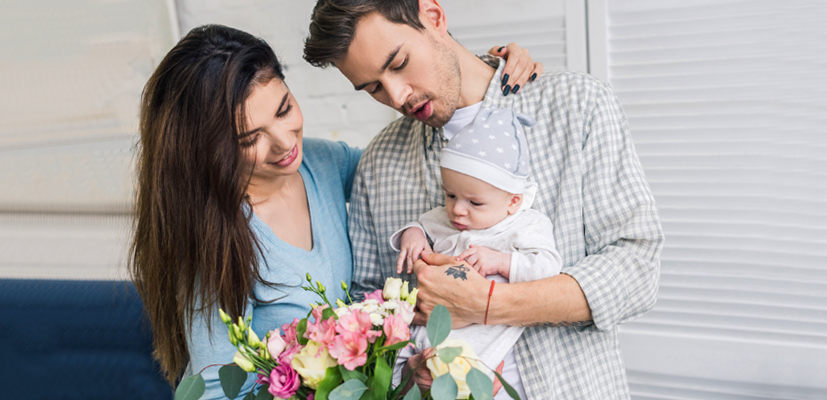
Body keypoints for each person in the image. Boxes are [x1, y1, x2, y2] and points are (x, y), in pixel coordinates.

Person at [129, 24, 538, 399]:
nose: (284, 142)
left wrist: (486, 84)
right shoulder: (215, 243)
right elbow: (213, 391)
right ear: (208, 148)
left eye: (284, 109)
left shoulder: (322, 163)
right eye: (250, 138)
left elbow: (434, 172)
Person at [303, 0, 665, 398]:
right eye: (373, 87)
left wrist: (489, 303)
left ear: (435, 17)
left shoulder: (575, 106)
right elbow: (367, 304)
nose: (397, 96)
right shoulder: (378, 163)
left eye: (399, 63)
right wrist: (408, 372)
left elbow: (637, 269)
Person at [390, 107, 563, 400]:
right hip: (429, 332)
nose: (458, 209)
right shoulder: (441, 219)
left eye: (475, 202)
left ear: (513, 201)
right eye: (451, 195)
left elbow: (548, 267)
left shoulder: (526, 224)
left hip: (485, 337)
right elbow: (420, 224)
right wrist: (412, 235)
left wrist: (502, 261)